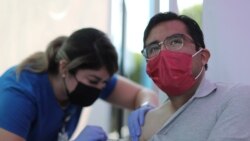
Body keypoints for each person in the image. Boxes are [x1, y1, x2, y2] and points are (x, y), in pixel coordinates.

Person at [0, 27, 159, 141]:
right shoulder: (20, 93)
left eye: (105, 82)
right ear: (64, 67)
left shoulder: (89, 79)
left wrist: (146, 108)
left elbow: (143, 94)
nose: (99, 88)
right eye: (93, 81)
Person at [128, 12, 250, 141]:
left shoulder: (236, 97)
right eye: (153, 48)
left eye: (175, 41)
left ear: (202, 57)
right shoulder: (145, 122)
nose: (163, 53)